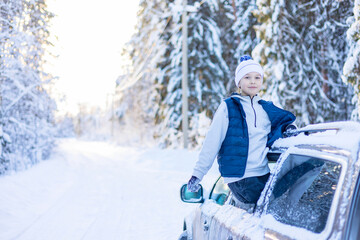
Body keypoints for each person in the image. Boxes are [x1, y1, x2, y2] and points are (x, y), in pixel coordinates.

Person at [187, 55, 296, 207]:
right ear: (239, 82)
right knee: (279, 203)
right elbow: (212, 142)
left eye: (257, 77)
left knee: (304, 172)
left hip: (263, 174)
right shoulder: (228, 107)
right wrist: (197, 175)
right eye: (247, 77)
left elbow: (280, 126)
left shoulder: (265, 109)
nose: (253, 81)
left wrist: (288, 129)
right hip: (241, 178)